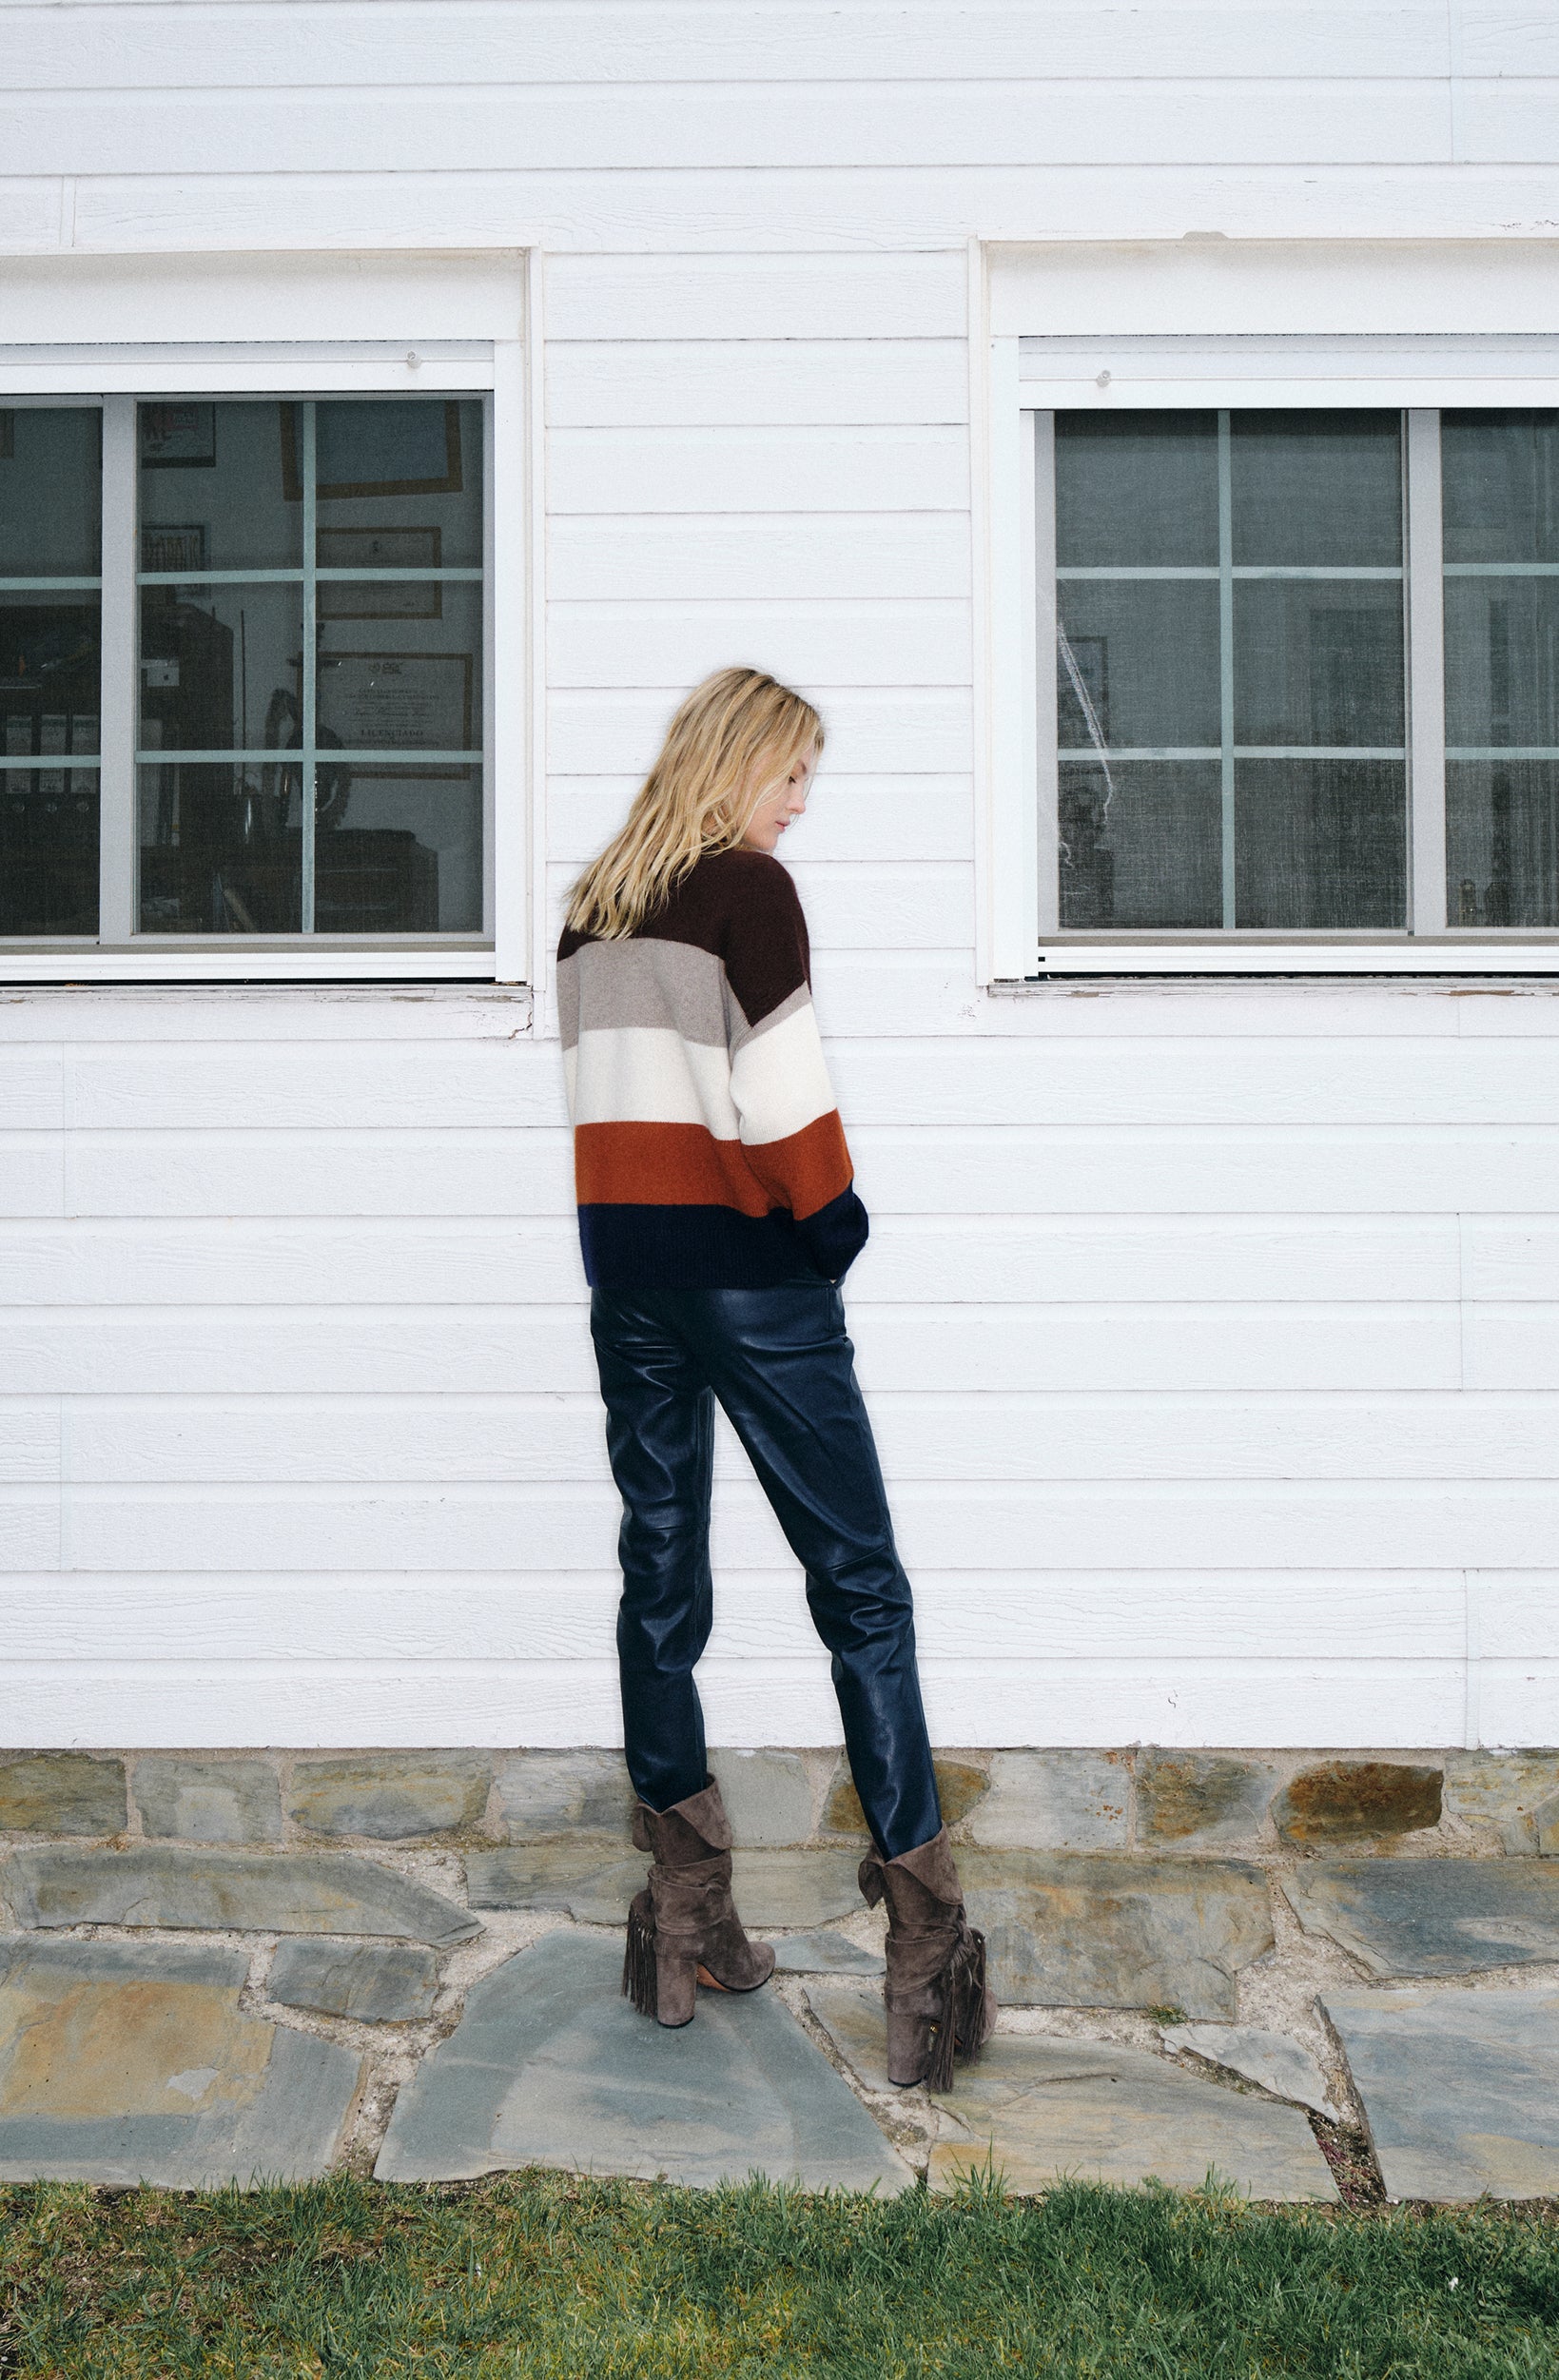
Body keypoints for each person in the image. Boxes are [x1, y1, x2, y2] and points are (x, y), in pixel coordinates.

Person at [556, 666, 995, 2090]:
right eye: (792, 773)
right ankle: (923, 1952)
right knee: (860, 1582)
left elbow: (613, 1112)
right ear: (737, 762)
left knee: (660, 1578)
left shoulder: (594, 907)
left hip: (631, 1279)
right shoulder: (750, 891)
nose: (800, 805)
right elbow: (781, 1107)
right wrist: (837, 1224)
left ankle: (685, 1914)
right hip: (752, 1282)